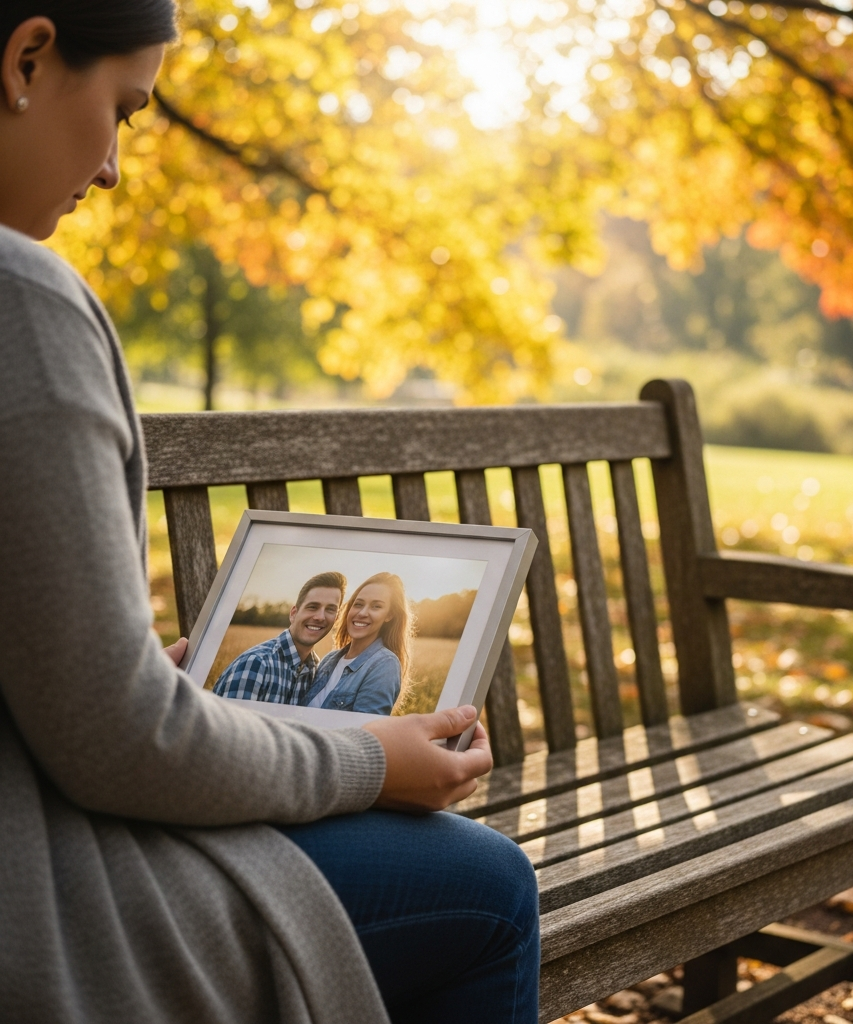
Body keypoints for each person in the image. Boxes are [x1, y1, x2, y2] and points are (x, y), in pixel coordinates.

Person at [0, 5, 540, 1024]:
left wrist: (119, 676)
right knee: (490, 887)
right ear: (27, 58)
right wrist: (376, 760)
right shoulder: (18, 296)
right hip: (38, 897)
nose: (113, 165)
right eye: (120, 107)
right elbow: (122, 749)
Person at [214, 571, 345, 703]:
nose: (320, 617)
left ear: (336, 618)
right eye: (312, 607)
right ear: (293, 613)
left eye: (330, 609)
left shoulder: (315, 670)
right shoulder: (256, 664)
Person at [303, 572, 408, 715]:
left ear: (389, 615)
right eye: (358, 604)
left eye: (376, 606)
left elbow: (364, 731)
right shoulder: (330, 659)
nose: (363, 613)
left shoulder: (385, 664)